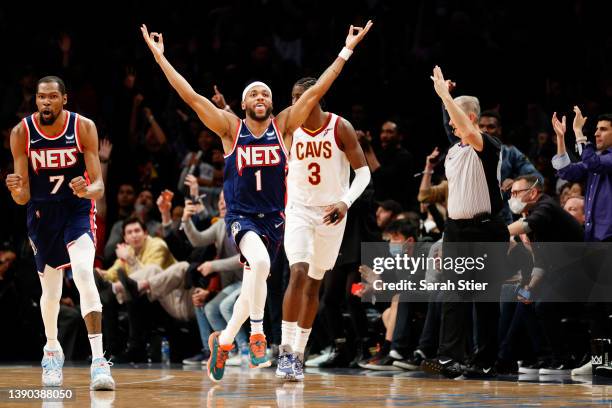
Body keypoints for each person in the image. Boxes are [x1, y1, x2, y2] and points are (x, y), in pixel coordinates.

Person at [140, 21, 373, 382]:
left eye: (266, 93)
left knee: (254, 285)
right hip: (242, 217)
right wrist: (160, 58)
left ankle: (226, 340)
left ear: (273, 102)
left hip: (274, 219)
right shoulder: (230, 128)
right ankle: (260, 334)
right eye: (254, 94)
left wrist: (346, 50)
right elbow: (191, 96)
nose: (261, 97)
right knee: (262, 266)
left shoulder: (284, 126)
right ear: (244, 103)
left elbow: (316, 92)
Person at [5, 76, 114, 390]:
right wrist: (15, 190)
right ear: (36, 100)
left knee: (82, 272)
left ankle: (98, 361)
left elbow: (99, 187)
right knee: (51, 292)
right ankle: (51, 350)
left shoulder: (83, 128)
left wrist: (86, 188)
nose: (46, 103)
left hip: (76, 211)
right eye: (41, 97)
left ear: (65, 99)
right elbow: (23, 196)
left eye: (52, 97)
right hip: (42, 214)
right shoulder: (21, 132)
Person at [276, 77, 370, 381]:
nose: (295, 102)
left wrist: (345, 202)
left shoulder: (340, 127)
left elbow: (364, 174)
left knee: (316, 283)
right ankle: (286, 351)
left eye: (301, 96)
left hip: (332, 213)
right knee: (298, 272)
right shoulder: (289, 128)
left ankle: (299, 354)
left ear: (316, 97)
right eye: (292, 97)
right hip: (299, 210)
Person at [422, 67, 509, 379]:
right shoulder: (453, 149)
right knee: (454, 296)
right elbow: (452, 126)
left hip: (486, 229)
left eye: (455, 115)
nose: (450, 120)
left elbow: (463, 126)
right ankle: (449, 358)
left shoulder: (486, 144)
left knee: (485, 300)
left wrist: (445, 95)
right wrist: (443, 98)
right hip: (457, 231)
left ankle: (485, 361)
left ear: (470, 117)